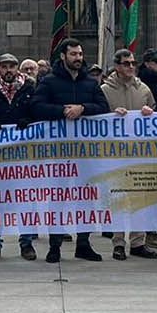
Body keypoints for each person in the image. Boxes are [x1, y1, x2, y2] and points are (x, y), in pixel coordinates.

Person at [30, 39, 109, 262]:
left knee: (86, 198)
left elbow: (104, 108)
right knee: (59, 199)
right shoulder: (49, 81)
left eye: (80, 54)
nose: (78, 58)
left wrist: (83, 109)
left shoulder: (90, 83)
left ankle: (83, 243)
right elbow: (36, 107)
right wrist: (62, 111)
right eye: (73, 54)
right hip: (59, 153)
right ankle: (54, 245)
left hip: (85, 154)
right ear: (63, 56)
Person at [0, 53, 39, 261]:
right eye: (5, 67)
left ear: (17, 68)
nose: (9, 70)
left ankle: (26, 243)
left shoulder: (29, 89)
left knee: (25, 200)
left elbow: (39, 113)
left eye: (12, 66)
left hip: (23, 157)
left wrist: (28, 119)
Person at [102, 49, 157, 260]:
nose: (131, 67)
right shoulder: (105, 90)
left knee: (140, 199)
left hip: (140, 152)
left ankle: (138, 242)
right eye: (126, 63)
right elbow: (97, 117)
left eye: (133, 63)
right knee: (118, 199)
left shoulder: (143, 88)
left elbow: (156, 112)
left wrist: (149, 112)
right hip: (115, 153)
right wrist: (111, 115)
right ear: (117, 66)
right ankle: (118, 243)